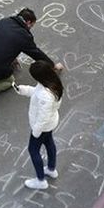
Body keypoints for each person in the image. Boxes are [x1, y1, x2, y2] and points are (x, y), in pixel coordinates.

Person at [0, 8, 64, 107]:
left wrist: (11, 57)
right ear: (28, 22)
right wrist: (53, 65)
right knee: (10, 81)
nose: (31, 28)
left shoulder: (3, 22)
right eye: (31, 25)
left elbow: (1, 43)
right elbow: (37, 54)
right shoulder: (24, 37)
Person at [14, 60, 63, 190]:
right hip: (50, 123)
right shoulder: (52, 83)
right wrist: (23, 90)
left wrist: (36, 131)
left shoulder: (45, 96)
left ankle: (41, 180)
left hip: (42, 127)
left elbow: (43, 117)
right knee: (49, 143)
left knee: (33, 149)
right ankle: (51, 169)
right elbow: (36, 92)